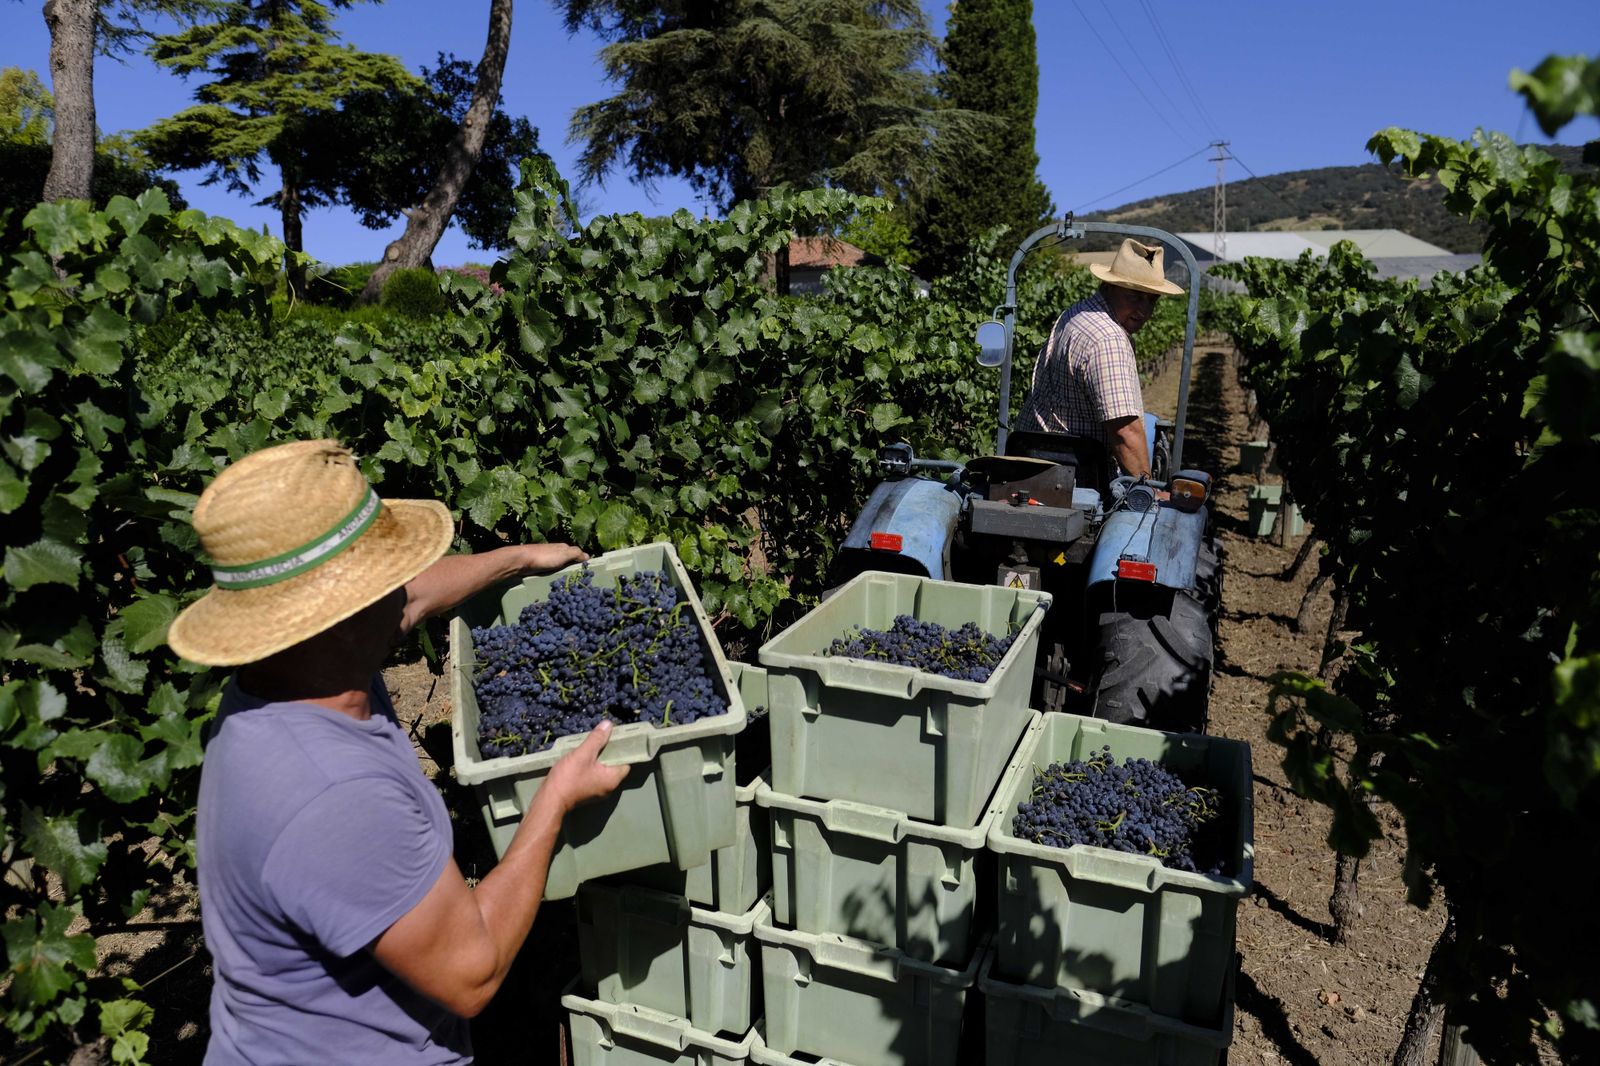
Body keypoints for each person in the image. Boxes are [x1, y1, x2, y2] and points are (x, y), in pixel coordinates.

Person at [167, 439, 630, 1065]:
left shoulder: (296, 673)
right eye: (380, 580)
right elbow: (473, 973)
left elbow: (414, 600)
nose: (401, 593)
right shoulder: (333, 796)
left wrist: (518, 560)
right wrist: (554, 799)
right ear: (336, 613)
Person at [1014, 238, 1185, 478]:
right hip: (1075, 478)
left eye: (1152, 300)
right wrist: (1148, 493)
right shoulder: (1108, 339)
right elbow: (1125, 433)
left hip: (1033, 462)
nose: (1144, 311)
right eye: (1135, 296)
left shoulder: (1077, 313)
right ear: (1109, 287)